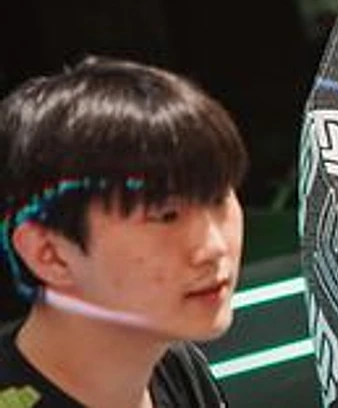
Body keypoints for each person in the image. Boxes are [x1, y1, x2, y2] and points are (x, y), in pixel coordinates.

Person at [0, 56, 248, 407]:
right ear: (49, 254)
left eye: (218, 199)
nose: (214, 247)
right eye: (166, 215)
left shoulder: (175, 364)